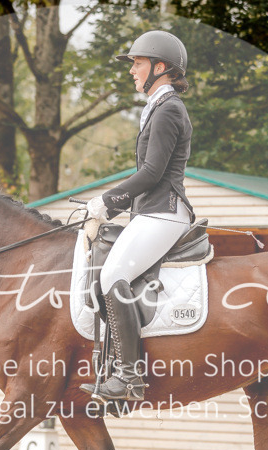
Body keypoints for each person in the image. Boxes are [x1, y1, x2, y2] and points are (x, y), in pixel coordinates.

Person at [81, 30, 195, 401]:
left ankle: (129, 377)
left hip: (164, 212)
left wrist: (107, 202)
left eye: (138, 63)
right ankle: (113, 367)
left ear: (160, 67)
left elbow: (152, 172)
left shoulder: (169, 109)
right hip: (151, 211)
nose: (132, 70)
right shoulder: (158, 108)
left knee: (115, 274)